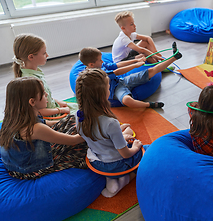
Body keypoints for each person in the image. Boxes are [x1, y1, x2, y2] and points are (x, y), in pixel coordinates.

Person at [75, 68, 148, 198]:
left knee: (125, 135)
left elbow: (98, 135)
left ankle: (111, 179)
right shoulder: (110, 123)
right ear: (103, 95)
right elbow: (125, 154)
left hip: (97, 161)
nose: (110, 90)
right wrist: (136, 147)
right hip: (116, 164)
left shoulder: (78, 115)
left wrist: (120, 132)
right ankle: (124, 179)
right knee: (148, 151)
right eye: (108, 88)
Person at [0, 77, 87, 180]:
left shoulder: (14, 117)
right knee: (82, 146)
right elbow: (73, 140)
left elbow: (47, 122)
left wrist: (69, 120)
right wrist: (92, 131)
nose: (46, 94)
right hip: (30, 169)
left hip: (17, 163)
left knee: (71, 120)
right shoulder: (36, 129)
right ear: (32, 102)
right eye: (43, 92)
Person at [79, 42, 182, 108]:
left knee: (150, 71)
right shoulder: (94, 75)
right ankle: (148, 104)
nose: (102, 61)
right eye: (100, 60)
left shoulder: (100, 64)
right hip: (115, 91)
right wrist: (136, 65)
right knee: (127, 100)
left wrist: (134, 60)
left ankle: (174, 57)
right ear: (91, 64)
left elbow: (116, 65)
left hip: (121, 81)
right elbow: (117, 72)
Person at [12, 33, 77, 117]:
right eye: (44, 53)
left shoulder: (35, 72)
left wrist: (58, 103)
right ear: (31, 57)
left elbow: (46, 98)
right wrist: (60, 110)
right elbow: (36, 112)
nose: (47, 55)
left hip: (53, 108)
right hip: (50, 116)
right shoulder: (31, 81)